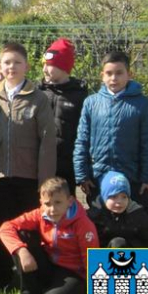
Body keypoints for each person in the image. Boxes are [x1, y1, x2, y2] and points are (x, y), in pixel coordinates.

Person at [0, 42, 56, 284]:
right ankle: (3, 278)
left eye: (16, 62)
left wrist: (45, 181)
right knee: (0, 228)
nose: (11, 67)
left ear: (26, 65)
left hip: (28, 179)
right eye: (6, 62)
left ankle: (30, 281)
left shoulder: (39, 99)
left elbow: (47, 142)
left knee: (27, 231)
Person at [74, 51, 148, 227]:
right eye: (109, 73)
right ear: (102, 76)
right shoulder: (91, 103)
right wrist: (82, 175)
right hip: (99, 178)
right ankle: (102, 254)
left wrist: (147, 178)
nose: (114, 78)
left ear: (129, 74)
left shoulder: (142, 104)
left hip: (132, 177)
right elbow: (82, 141)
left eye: (119, 73)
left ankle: (139, 254)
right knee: (100, 224)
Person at [0, 177, 99, 294]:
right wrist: (21, 251)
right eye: (47, 204)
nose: (52, 209)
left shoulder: (83, 224)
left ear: (70, 201)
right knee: (23, 234)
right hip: (49, 266)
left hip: (73, 272)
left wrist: (94, 291)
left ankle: (74, 293)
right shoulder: (40, 214)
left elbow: (91, 258)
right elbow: (5, 228)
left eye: (58, 202)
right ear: (41, 203)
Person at [39, 38, 88, 194]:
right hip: (41, 164)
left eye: (50, 65)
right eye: (44, 65)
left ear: (65, 68)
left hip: (67, 165)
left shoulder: (79, 96)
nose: (45, 69)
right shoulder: (38, 93)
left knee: (66, 202)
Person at [86, 171, 148, 251]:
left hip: (133, 257)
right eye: (114, 197)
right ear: (104, 198)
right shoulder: (93, 216)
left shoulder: (137, 214)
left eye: (124, 197)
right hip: (101, 258)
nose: (119, 201)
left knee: (119, 243)